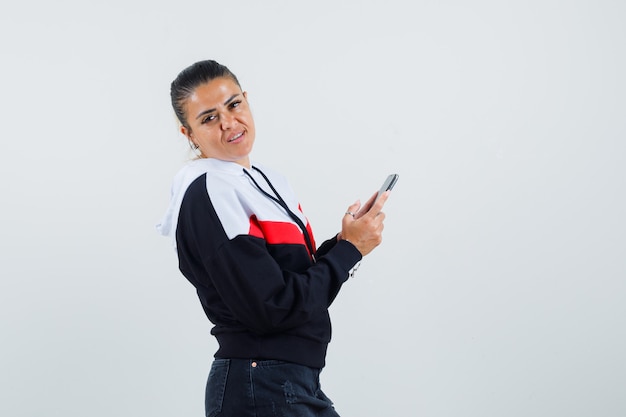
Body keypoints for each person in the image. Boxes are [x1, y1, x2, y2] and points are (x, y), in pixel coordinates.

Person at [157, 59, 391, 417]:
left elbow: (290, 282)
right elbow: (272, 308)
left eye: (234, 104)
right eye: (208, 118)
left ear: (247, 100)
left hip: (285, 381)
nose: (229, 123)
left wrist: (345, 242)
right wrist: (349, 251)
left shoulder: (263, 179)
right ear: (189, 134)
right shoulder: (210, 191)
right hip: (261, 384)